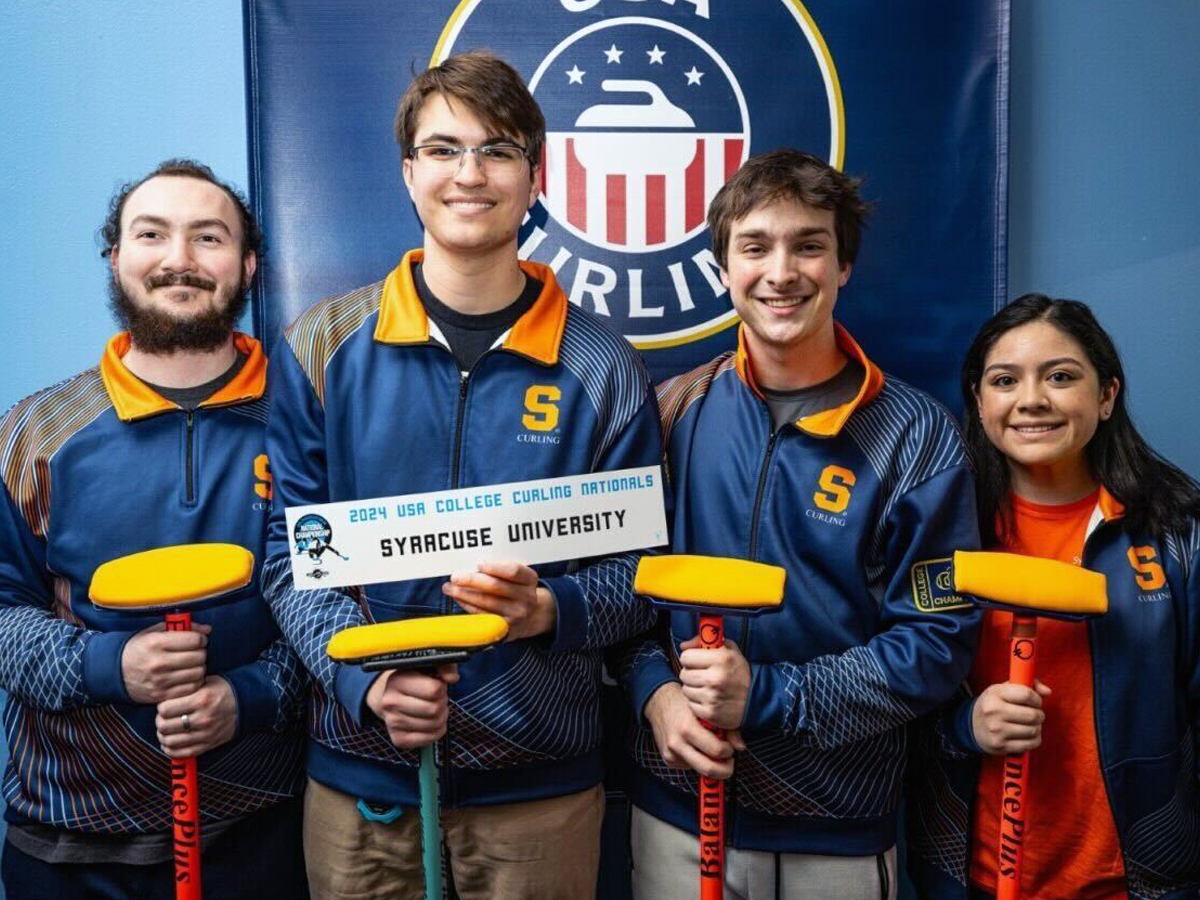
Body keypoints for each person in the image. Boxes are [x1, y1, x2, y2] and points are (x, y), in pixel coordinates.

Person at [261, 50, 664, 900]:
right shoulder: (320, 347)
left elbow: (641, 579)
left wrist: (552, 611)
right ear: (409, 174)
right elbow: (288, 556)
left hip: (538, 793)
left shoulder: (604, 368)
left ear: (534, 177)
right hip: (359, 783)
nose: (469, 174)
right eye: (443, 150)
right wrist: (361, 682)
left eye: (498, 149)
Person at [614, 149, 982, 900]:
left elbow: (939, 641)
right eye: (755, 246)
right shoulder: (670, 410)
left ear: (843, 265)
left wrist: (772, 697)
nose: (781, 272)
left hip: (838, 830)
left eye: (809, 244)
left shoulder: (919, 437)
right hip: (677, 813)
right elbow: (623, 593)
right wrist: (656, 693)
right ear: (724, 267)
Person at [0, 159, 308, 899]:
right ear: (116, 258)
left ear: (249, 264)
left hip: (260, 834)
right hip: (68, 843)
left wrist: (252, 696)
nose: (180, 259)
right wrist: (112, 666)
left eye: (209, 237)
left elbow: (341, 605)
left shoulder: (306, 426)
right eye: (152, 234)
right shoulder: (36, 432)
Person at [905, 294, 1200, 900]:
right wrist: (965, 726)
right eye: (1005, 380)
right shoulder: (936, 530)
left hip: (1134, 883)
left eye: (1061, 376)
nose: (1032, 399)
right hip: (973, 880)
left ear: (1107, 395)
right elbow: (894, 708)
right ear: (980, 403)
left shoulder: (1179, 531)